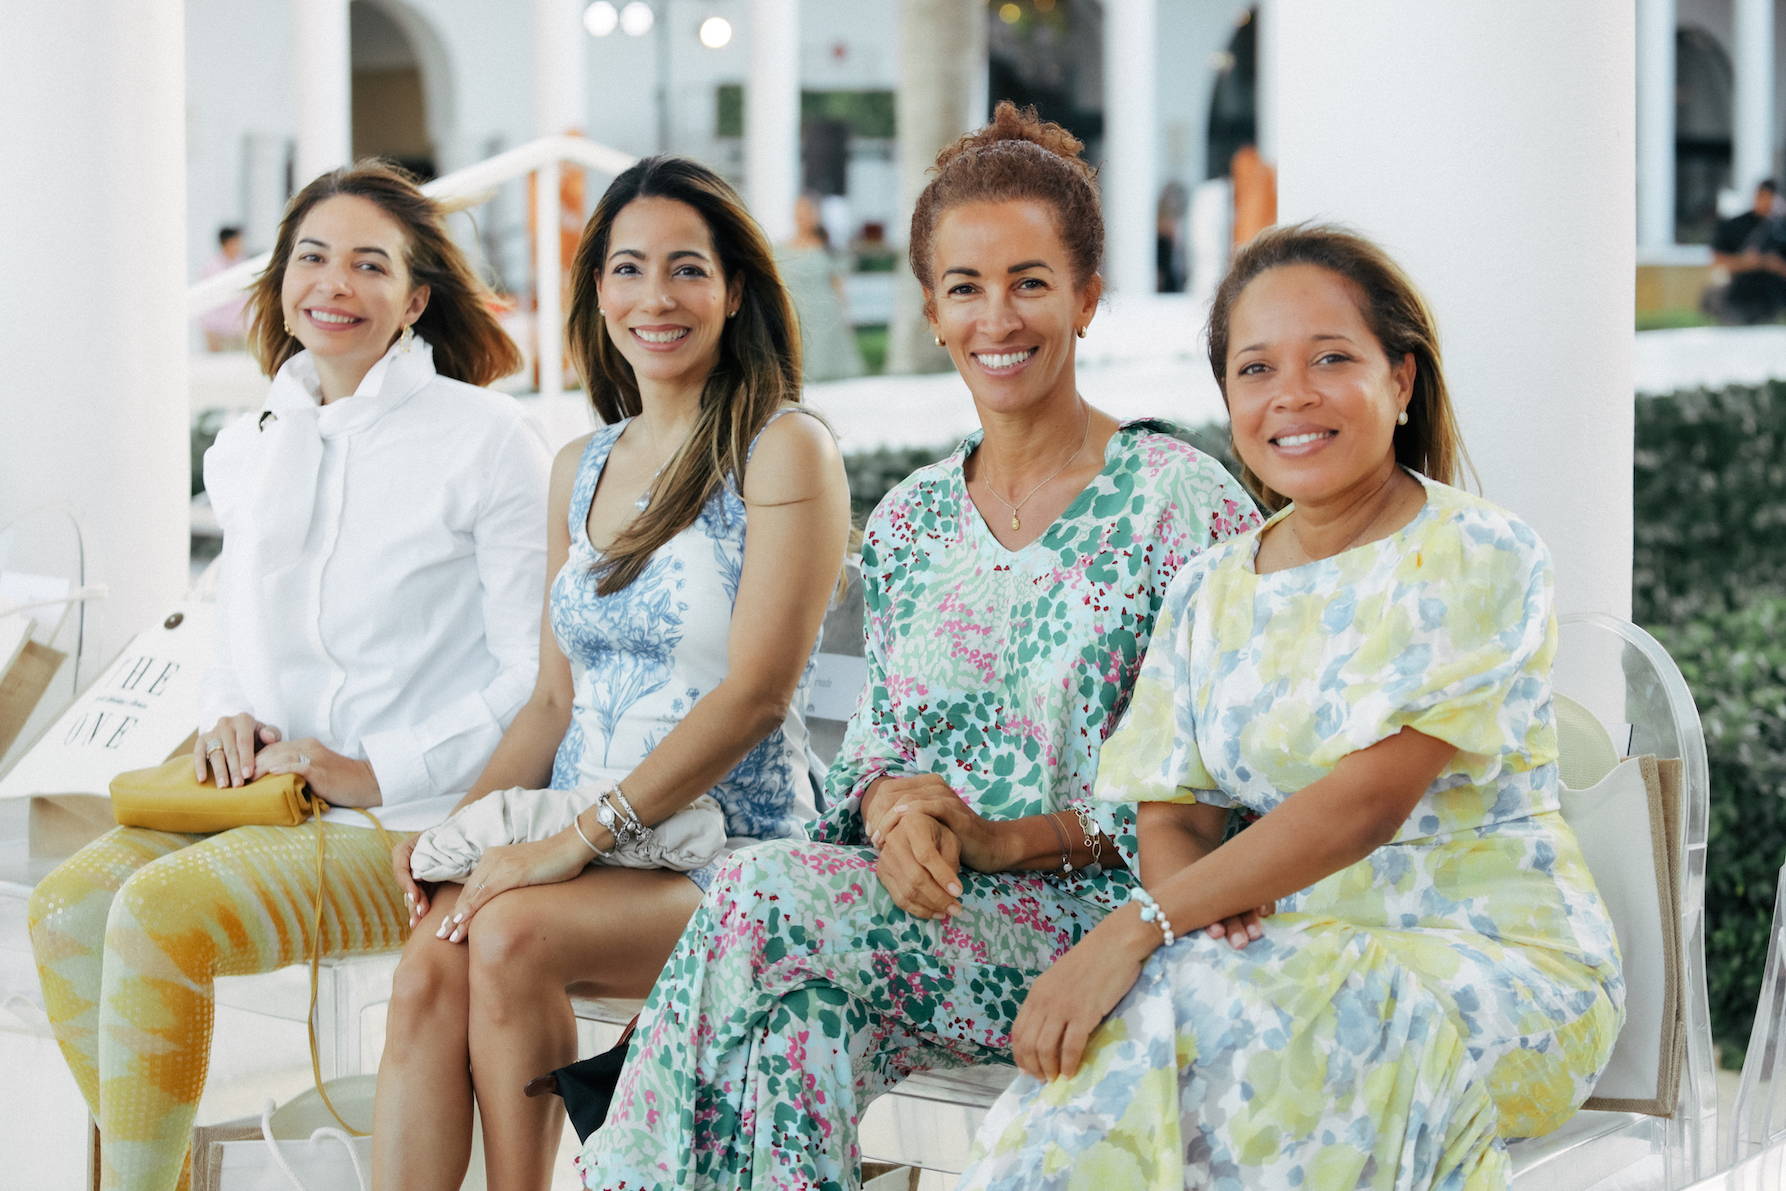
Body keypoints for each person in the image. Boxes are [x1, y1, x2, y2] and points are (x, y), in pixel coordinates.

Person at [579, 101, 1260, 1191]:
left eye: (1030, 282)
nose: (998, 317)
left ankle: (615, 1175)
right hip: (920, 922)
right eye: (965, 287)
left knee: (757, 894)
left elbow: (1230, 802)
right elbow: (871, 757)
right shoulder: (908, 521)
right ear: (933, 311)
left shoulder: (1180, 505)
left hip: (1109, 936)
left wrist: (1006, 840)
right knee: (795, 1026)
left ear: (1087, 297)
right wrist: (896, 813)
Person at [956, 224, 1624, 1191]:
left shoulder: (1480, 552)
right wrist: (1201, 928)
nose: (1292, 395)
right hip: (1269, 964)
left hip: (1490, 970)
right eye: (1256, 369)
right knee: (1147, 1046)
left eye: (1331, 359)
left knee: (1229, 1041)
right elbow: (1176, 812)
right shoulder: (1209, 588)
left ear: (1400, 379)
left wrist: (1144, 926)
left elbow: (1366, 804)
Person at [27, 161, 548, 1191]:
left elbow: (533, 676)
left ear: (417, 299)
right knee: (64, 907)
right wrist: (226, 710)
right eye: (312, 257)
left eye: (370, 265)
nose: (334, 284)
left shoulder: (489, 442)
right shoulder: (252, 444)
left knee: (158, 910)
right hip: (266, 803)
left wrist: (374, 769)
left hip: (419, 825)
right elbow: (229, 617)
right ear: (279, 280)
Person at [370, 155, 851, 1191]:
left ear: (735, 290)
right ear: (597, 291)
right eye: (628, 269)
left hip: (734, 855)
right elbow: (554, 701)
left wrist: (568, 844)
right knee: (428, 964)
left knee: (507, 933)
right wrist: (455, 833)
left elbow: (757, 696)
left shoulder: (783, 449)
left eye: (687, 269)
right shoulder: (577, 466)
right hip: (580, 843)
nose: (655, 298)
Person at [775, 190, 867, 382]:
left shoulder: (827, 247)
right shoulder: (780, 249)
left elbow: (837, 283)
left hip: (824, 311)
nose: (803, 217)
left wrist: (845, 313)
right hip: (795, 311)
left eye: (807, 212)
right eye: (799, 212)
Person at [1706, 179, 1786, 324]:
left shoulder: (1781, 227)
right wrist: (1744, 262)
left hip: (1774, 301)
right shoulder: (1736, 225)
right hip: (1737, 300)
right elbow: (1717, 259)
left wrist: (1775, 264)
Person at [198, 224, 250, 350]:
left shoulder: (244, 264)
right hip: (221, 333)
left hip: (242, 332)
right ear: (226, 243)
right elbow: (205, 304)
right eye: (236, 242)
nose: (239, 245)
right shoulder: (211, 268)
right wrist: (209, 334)